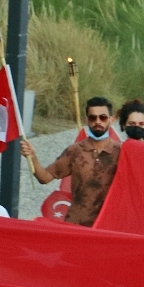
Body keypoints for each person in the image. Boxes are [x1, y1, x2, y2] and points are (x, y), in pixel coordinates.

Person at [22, 97, 121, 226]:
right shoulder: (75, 151)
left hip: (107, 225)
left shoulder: (121, 152)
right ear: (86, 120)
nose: (98, 121)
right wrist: (32, 156)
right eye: (92, 118)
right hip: (76, 224)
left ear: (111, 120)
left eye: (103, 117)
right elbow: (44, 177)